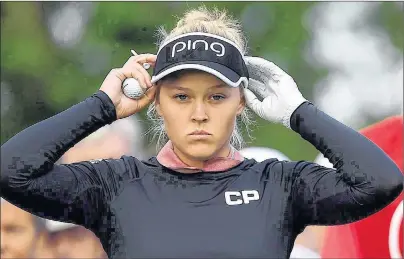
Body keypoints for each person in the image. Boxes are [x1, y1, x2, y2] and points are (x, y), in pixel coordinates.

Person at [0, 6, 402, 259]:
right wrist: (103, 106)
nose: (198, 114)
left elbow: (382, 182)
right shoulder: (115, 184)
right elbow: (11, 170)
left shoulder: (279, 184)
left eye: (215, 97)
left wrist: (298, 112)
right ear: (155, 100)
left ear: (241, 101)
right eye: (180, 97)